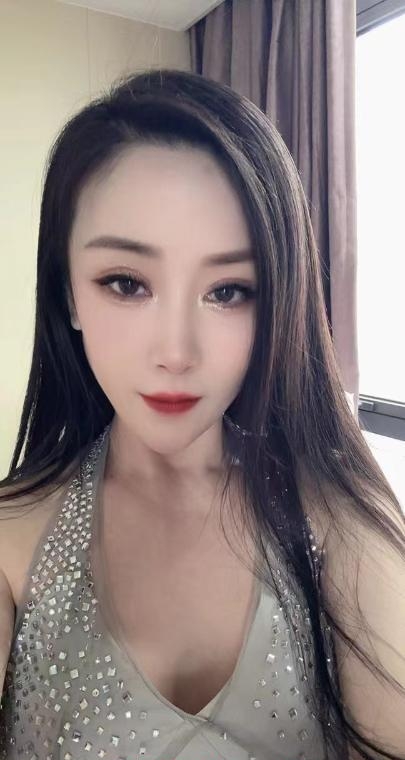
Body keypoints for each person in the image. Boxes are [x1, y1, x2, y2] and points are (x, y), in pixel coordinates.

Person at [0, 68, 404, 760]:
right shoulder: (14, 538)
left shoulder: (338, 522)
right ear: (68, 296)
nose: (176, 352)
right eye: (125, 283)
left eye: (228, 291)